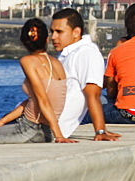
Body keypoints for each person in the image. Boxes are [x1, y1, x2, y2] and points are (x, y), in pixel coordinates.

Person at [0, 19, 74, 147]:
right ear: (47, 39)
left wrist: (59, 136)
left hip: (30, 129)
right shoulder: (57, 63)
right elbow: (36, 99)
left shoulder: (28, 61)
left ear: (23, 41)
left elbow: (43, 100)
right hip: (44, 130)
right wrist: (2, 121)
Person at [49, 8, 121, 140]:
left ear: (76, 32)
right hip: (37, 120)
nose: (53, 37)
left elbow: (93, 94)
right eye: (52, 32)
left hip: (45, 128)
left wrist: (100, 131)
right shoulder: (68, 54)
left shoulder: (87, 53)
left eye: (59, 32)